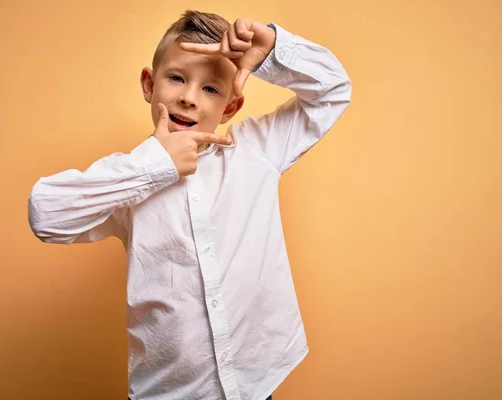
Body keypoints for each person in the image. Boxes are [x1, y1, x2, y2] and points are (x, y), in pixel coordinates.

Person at [28, 9, 351, 400]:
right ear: (149, 84)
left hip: (256, 380)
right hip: (169, 392)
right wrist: (155, 167)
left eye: (211, 89)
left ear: (230, 108)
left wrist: (272, 49)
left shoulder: (257, 150)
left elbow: (333, 91)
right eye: (176, 78)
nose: (188, 97)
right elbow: (46, 215)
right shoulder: (127, 178)